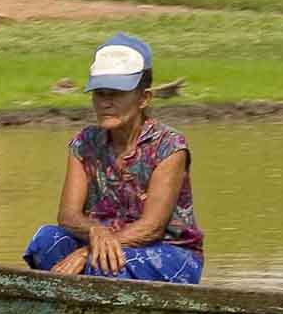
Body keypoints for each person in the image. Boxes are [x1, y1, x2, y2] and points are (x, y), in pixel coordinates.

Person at [22, 33, 205, 283]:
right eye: (100, 93)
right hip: (103, 244)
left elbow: (151, 228)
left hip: (169, 253)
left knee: (104, 265)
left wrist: (88, 251)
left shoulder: (170, 146)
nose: (105, 103)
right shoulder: (84, 143)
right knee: (45, 241)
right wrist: (96, 231)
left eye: (116, 94)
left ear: (144, 98)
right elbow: (68, 216)